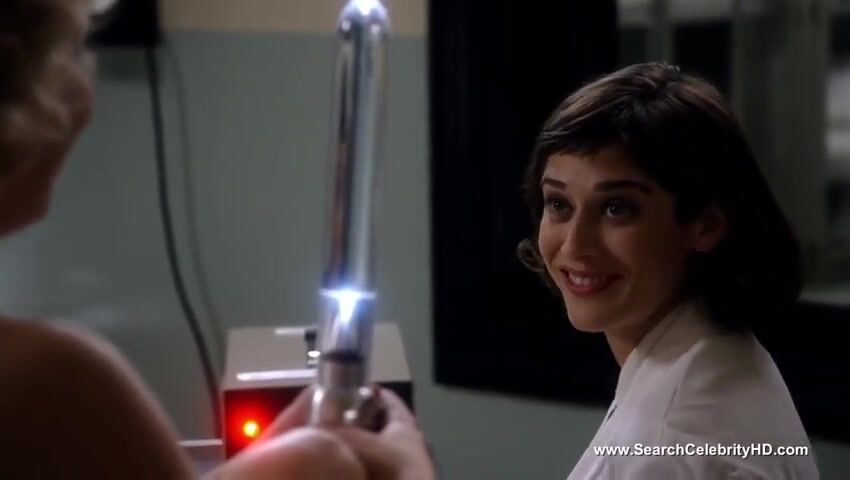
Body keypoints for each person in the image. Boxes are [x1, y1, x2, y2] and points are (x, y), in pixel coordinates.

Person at [0, 0, 435, 478]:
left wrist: (271, 462)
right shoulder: (50, 382)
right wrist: (408, 470)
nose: (87, 83)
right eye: (76, 48)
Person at [514, 62, 820, 478]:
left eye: (616, 208)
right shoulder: (723, 357)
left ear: (705, 225)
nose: (574, 245)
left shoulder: (659, 448)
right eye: (558, 204)